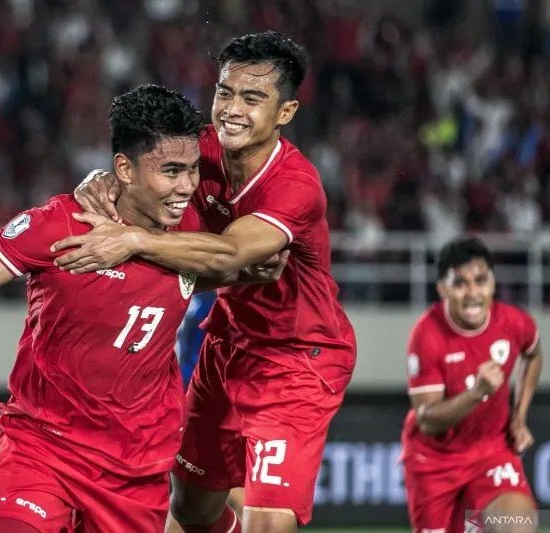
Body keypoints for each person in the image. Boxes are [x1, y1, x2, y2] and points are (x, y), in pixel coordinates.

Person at [0, 85, 273, 532]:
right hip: (42, 447)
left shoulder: (195, 231)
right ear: (124, 169)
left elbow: (261, 261)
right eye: (171, 171)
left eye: (191, 170)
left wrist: (154, 245)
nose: (186, 186)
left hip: (135, 466)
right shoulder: (58, 225)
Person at [60, 31, 356, 532]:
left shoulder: (296, 187)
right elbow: (138, 174)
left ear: (285, 113)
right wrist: (103, 180)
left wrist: (133, 241)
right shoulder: (200, 150)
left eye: (253, 98)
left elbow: (228, 253)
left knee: (266, 522)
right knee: (191, 511)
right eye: (225, 92)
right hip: (227, 346)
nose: (232, 109)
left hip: (297, 358)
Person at [402, 236, 541, 533]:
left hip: (490, 451)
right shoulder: (427, 335)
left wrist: (519, 417)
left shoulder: (514, 322)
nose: (473, 293)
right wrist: (477, 393)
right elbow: (427, 419)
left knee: (517, 524)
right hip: (434, 462)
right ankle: (468, 526)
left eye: (481, 280)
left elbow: (534, 352)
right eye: (460, 283)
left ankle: (474, 526)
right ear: (442, 288)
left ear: (493, 282)